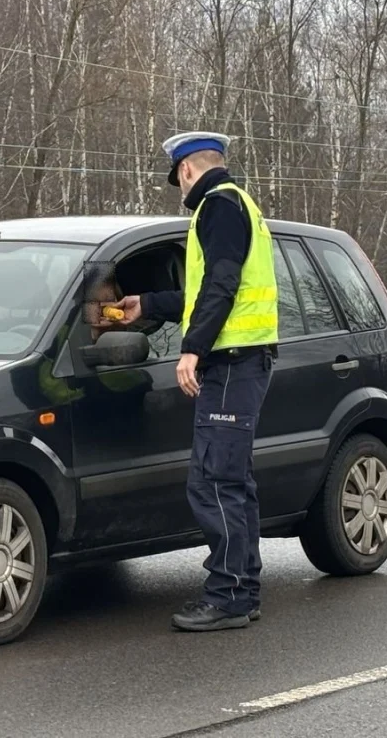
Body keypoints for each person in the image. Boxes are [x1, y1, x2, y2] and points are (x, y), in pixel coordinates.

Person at [108, 131, 279, 632]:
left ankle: (229, 594)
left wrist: (191, 350)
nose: (178, 192)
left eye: (176, 181)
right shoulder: (236, 204)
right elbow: (205, 289)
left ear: (186, 170)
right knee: (232, 481)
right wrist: (152, 304)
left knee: (214, 481)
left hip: (230, 362)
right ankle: (242, 590)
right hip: (241, 360)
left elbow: (222, 286)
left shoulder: (219, 207)